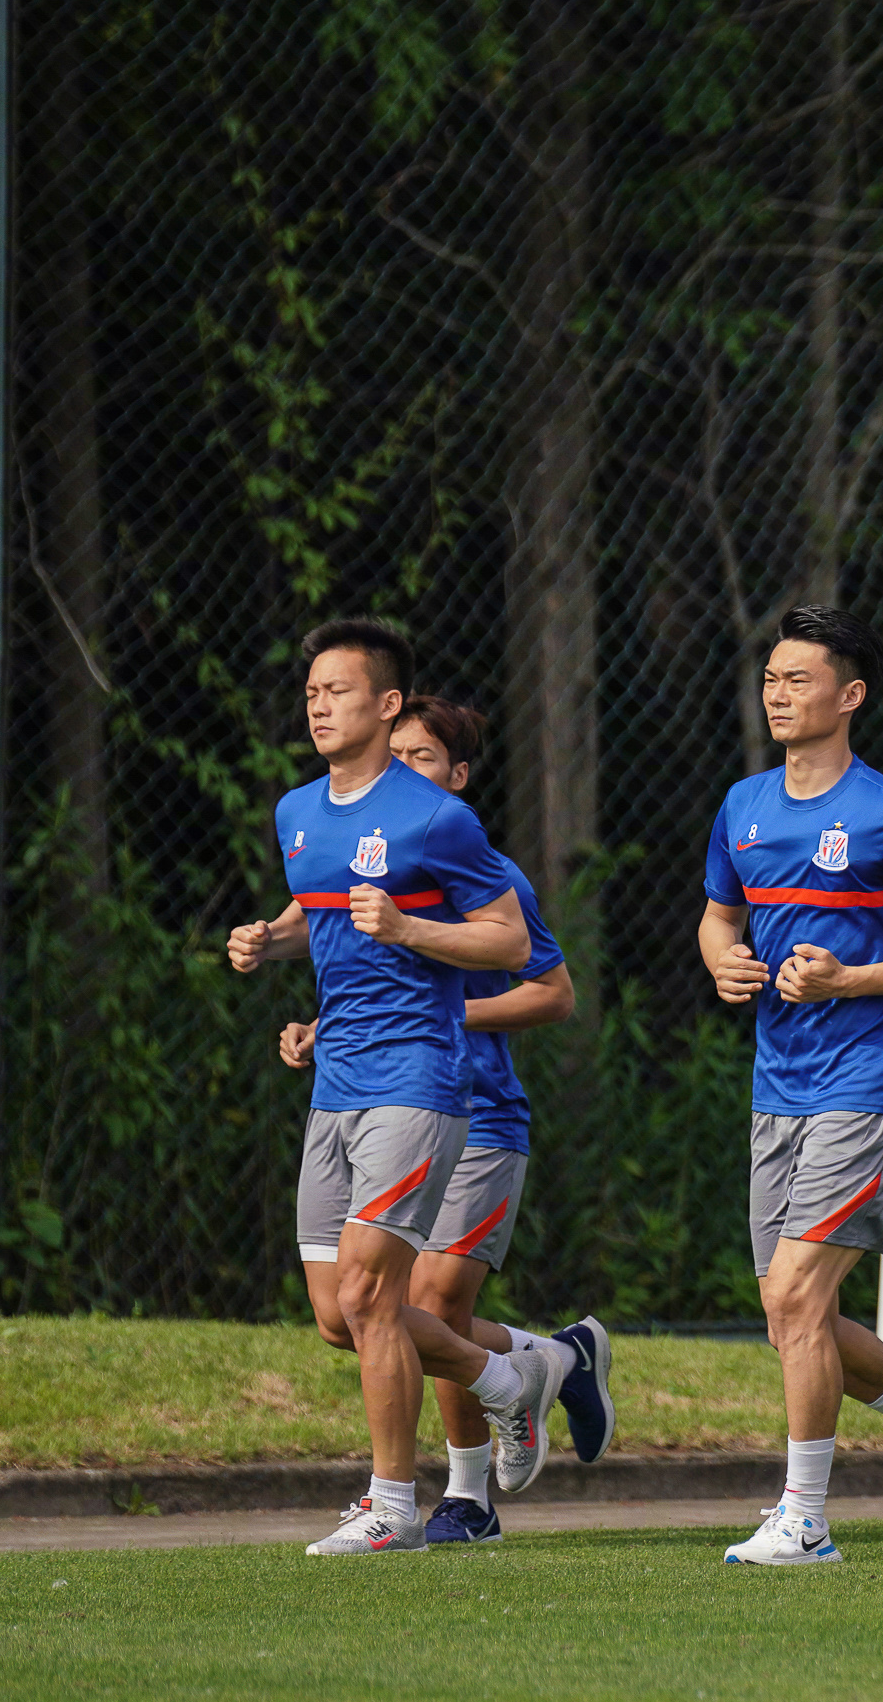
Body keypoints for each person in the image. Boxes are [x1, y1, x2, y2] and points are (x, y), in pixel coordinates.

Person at [227, 618, 566, 1556]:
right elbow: (322, 914)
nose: (319, 706)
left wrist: (411, 930)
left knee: (379, 1293)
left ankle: (390, 1502)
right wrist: (271, 938)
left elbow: (510, 945)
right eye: (310, 694)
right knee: (339, 1315)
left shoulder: (435, 819)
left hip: (420, 1079)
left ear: (384, 704)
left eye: (338, 691)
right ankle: (511, 1380)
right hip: (334, 1085)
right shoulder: (298, 812)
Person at [699, 604, 883, 1566]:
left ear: (851, 695)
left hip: (862, 1088)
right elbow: (716, 920)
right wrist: (726, 962)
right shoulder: (742, 805)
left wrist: (850, 980)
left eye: (799, 678)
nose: (778, 693)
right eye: (771, 679)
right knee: (800, 1314)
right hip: (774, 1089)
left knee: (796, 1295)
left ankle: (807, 1517)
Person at [274, 695, 618, 1545]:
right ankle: (552, 1361)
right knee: (357, 1313)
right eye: (397, 754)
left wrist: (446, 1016)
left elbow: (554, 990)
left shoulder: (483, 867)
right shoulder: (353, 850)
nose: (403, 771)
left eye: (422, 757)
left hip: (479, 1115)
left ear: (458, 778)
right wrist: (327, 1026)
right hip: (382, 1096)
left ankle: (466, 1497)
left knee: (418, 1299)